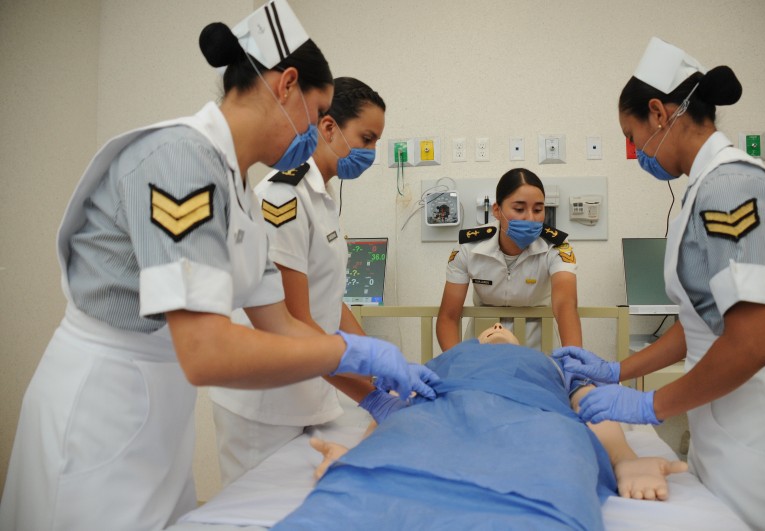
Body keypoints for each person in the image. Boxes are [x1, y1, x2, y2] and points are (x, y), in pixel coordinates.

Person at [0, 3, 437, 530]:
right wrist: (350, 351)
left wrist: (377, 380)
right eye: (317, 109)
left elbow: (280, 322)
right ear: (287, 85)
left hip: (159, 405)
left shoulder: (239, 190)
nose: (314, 130)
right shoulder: (179, 160)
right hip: (102, 404)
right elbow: (204, 349)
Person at [554, 37, 765, 531]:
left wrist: (650, 404)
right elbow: (702, 324)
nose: (636, 153)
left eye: (632, 137)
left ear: (658, 113)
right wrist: (616, 371)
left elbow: (752, 343)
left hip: (759, 438)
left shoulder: (731, 189)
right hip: (725, 430)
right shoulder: (703, 189)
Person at [274, 323, 687, 530]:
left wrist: (624, 460)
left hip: (537, 421)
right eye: (488, 329)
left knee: (557, 469)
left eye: (504, 328)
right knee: (383, 464)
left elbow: (592, 408)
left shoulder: (553, 364)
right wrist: (361, 454)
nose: (496, 328)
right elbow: (399, 409)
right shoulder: (444, 360)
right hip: (440, 416)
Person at [209, 77, 388, 486]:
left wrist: (377, 363)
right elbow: (293, 318)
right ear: (329, 127)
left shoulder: (322, 197)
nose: (371, 152)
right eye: (366, 138)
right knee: (258, 508)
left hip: (305, 387)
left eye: (376, 142)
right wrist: (370, 394)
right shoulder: (282, 197)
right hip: (263, 400)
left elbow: (329, 301)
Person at [437, 168, 582, 351]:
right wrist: (458, 361)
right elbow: (448, 317)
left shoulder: (556, 247)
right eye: (519, 209)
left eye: (538, 209)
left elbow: (565, 306)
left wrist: (574, 360)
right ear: (497, 210)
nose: (530, 218)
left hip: (537, 351)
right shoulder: (469, 247)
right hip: (482, 352)